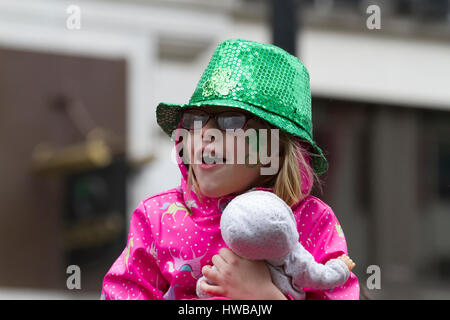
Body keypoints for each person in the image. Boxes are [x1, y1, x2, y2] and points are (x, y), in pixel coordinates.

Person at [101, 38, 360, 300]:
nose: (205, 133)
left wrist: (264, 295)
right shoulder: (157, 217)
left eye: (231, 120)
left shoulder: (313, 221)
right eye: (195, 120)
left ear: (276, 148)